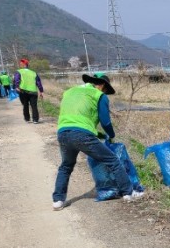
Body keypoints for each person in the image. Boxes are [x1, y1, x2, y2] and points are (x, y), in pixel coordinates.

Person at [52, 73, 144, 211]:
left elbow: (78, 118)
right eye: (106, 90)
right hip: (81, 134)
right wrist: (111, 135)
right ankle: (128, 192)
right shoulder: (98, 95)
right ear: (102, 85)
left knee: (66, 166)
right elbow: (105, 121)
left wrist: (99, 134)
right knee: (113, 160)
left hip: (63, 132)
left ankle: (58, 201)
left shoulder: (70, 91)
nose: (105, 93)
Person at [13, 58, 44, 123]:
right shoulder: (33, 73)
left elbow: (16, 80)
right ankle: (35, 120)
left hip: (23, 91)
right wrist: (41, 91)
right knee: (34, 106)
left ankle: (27, 119)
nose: (20, 65)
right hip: (33, 91)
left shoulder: (19, 72)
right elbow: (38, 82)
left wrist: (16, 87)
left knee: (25, 105)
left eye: (21, 64)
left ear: (24, 64)